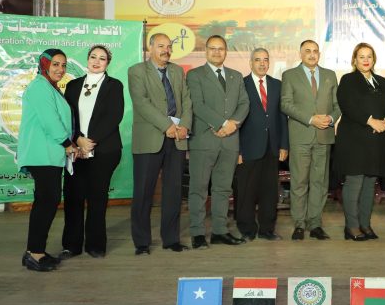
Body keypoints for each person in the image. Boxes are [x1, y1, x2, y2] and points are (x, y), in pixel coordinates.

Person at [128, 33, 192, 255]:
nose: (166, 50)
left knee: (173, 192)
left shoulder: (177, 71)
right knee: (143, 192)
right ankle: (142, 243)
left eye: (169, 46)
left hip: (177, 139)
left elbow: (187, 100)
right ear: (151, 47)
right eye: (161, 46)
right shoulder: (137, 71)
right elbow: (141, 103)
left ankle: (171, 239)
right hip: (150, 139)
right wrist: (167, 126)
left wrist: (185, 126)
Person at [60, 45, 124, 259]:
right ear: (87, 59)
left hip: (104, 150)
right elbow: (67, 116)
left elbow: (114, 116)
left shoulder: (114, 85)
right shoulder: (73, 85)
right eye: (93, 57)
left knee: (97, 198)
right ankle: (71, 245)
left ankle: (96, 245)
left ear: (108, 63)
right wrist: (78, 139)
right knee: (73, 197)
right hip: (76, 150)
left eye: (102, 58)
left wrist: (90, 142)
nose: (97, 61)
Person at [186, 35, 250, 249]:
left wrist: (233, 124)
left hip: (230, 141)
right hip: (204, 140)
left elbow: (244, 103)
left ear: (226, 52)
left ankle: (220, 231)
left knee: (223, 189)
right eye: (212, 48)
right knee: (199, 189)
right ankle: (197, 233)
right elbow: (197, 105)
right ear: (206, 51)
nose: (216, 52)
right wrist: (223, 123)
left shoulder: (236, 76)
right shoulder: (195, 75)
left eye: (220, 48)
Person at [17, 49, 75, 271]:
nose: (60, 69)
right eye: (55, 64)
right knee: (46, 202)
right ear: (45, 64)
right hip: (42, 154)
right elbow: (50, 120)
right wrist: (67, 144)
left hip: (49, 153)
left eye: (63, 65)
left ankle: (35, 251)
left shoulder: (48, 87)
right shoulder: (40, 87)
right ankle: (35, 254)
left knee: (46, 202)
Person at [280, 39, 341, 240]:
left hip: (324, 136)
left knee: (319, 183)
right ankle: (299, 224)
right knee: (299, 182)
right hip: (300, 136)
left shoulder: (330, 75)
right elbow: (285, 104)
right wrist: (310, 119)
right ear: (301, 54)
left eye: (315, 51)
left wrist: (330, 118)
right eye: (308, 51)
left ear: (319, 54)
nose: (312, 54)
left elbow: (338, 105)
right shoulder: (289, 75)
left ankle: (315, 224)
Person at [334, 43, 385, 241]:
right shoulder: (348, 80)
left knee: (369, 184)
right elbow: (347, 105)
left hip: (376, 141)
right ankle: (351, 227)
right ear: (354, 60)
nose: (366, 60)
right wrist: (370, 121)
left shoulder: (382, 82)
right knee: (354, 182)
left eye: (369, 56)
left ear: (374, 59)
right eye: (361, 57)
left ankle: (365, 224)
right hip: (354, 141)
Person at [235, 48, 288, 241]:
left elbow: (282, 117)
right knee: (246, 192)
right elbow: (236, 118)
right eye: (258, 60)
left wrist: (284, 145)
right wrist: (237, 149)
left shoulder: (277, 85)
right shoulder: (241, 85)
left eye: (265, 60)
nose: (262, 63)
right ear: (251, 63)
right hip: (248, 148)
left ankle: (267, 229)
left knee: (269, 192)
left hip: (272, 147)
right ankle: (247, 229)